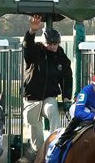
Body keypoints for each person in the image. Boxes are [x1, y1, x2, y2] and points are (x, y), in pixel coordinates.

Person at [45, 70, 95, 163]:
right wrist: (93, 116)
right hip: (81, 110)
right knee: (80, 115)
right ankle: (62, 139)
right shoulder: (85, 92)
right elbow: (78, 112)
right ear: (94, 87)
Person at [21, 15, 73, 153]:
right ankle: (39, 153)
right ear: (43, 43)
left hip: (48, 97)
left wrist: (66, 96)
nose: (52, 47)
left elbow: (67, 78)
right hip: (32, 97)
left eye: (55, 44)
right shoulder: (35, 52)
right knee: (35, 127)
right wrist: (32, 32)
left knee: (53, 112)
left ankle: (53, 145)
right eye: (49, 44)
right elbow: (27, 46)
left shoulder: (62, 58)